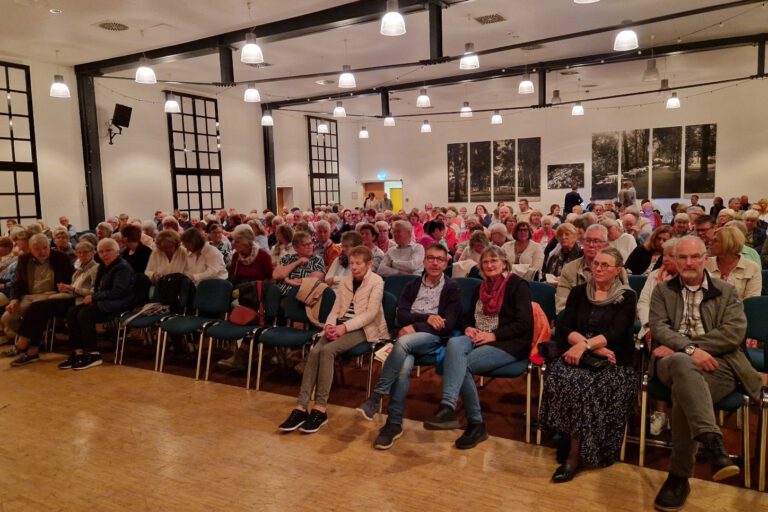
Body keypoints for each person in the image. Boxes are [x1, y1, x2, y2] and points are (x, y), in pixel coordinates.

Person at [649, 236, 762, 511]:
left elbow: (733, 333)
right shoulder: (662, 291)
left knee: (685, 390)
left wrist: (692, 348)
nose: (689, 263)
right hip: (671, 364)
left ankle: (679, 476)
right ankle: (712, 445)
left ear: (705, 259)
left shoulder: (726, 291)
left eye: (695, 257)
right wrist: (688, 353)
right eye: (682, 257)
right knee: (682, 366)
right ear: (674, 260)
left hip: (719, 365)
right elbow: (659, 328)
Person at [539, 247, 637, 483]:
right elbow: (565, 326)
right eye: (596, 264)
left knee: (584, 383)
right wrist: (584, 345)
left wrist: (585, 346)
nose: (599, 269)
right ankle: (568, 436)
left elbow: (617, 332)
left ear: (617, 270)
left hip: (613, 359)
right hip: (580, 350)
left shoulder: (627, 296)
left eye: (605, 265)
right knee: (557, 373)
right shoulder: (579, 291)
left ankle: (574, 456)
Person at [422, 245, 534, 449]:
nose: (490, 265)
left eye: (494, 261)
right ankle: (448, 406)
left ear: (504, 263)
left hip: (508, 342)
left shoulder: (518, 285)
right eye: (486, 262)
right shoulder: (480, 287)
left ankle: (475, 423)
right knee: (455, 342)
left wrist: (493, 335)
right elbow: (467, 317)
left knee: (460, 364)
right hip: (477, 336)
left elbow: (525, 323)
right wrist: (467, 328)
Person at [355, 244, 461, 448]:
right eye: (430, 258)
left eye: (440, 259)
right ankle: (393, 424)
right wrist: (427, 318)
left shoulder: (452, 288)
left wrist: (417, 325)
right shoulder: (412, 285)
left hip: (432, 338)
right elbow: (400, 314)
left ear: (446, 264)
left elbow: (449, 323)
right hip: (410, 335)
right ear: (423, 261)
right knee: (402, 369)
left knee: (402, 342)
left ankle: (377, 396)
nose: (435, 262)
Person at [279, 246, 389, 434]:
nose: (354, 267)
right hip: (339, 326)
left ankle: (320, 409)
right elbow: (336, 309)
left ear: (368, 264)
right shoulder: (346, 281)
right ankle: (301, 406)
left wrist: (343, 328)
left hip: (364, 328)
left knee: (328, 351)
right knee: (315, 351)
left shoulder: (377, 281)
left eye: (358, 263)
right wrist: (329, 326)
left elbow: (370, 314)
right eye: (352, 263)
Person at [58, 238, 137, 371]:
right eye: (101, 251)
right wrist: (93, 296)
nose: (104, 254)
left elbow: (119, 292)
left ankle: (93, 353)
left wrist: (94, 297)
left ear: (117, 251)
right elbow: (98, 288)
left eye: (108, 251)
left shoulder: (122, 267)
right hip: (105, 300)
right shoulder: (103, 266)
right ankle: (78, 352)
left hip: (120, 303)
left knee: (84, 314)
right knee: (72, 312)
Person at [2, 234, 75, 365]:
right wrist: (14, 300)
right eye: (37, 249)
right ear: (30, 249)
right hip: (30, 296)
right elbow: (18, 283)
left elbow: (72, 281)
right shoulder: (24, 259)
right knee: (7, 318)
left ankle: (27, 347)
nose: (42, 252)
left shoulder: (61, 258)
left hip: (53, 295)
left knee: (36, 309)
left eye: (45, 248)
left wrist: (65, 287)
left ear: (49, 247)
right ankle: (37, 339)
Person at [556, 224, 610, 313]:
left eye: (596, 241)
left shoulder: (615, 270)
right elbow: (562, 306)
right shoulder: (569, 269)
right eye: (588, 240)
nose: (591, 245)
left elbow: (623, 305)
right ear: (583, 243)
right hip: (576, 322)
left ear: (606, 245)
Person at [704, 226, 762, 299]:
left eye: (715, 240)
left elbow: (752, 301)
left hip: (741, 309)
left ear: (729, 243)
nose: (710, 242)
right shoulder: (705, 264)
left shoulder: (752, 268)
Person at [273, 231, 325, 295]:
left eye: (310, 243)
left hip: (301, 294)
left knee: (295, 291)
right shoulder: (287, 258)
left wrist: (287, 280)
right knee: (272, 289)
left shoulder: (317, 260)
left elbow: (313, 280)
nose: (309, 246)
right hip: (280, 292)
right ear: (295, 248)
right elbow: (276, 275)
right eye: (305, 245)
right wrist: (297, 262)